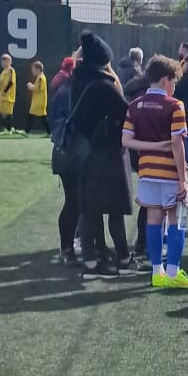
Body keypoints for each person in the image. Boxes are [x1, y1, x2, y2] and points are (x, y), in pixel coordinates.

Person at [67, 29, 138, 279]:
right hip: (108, 155)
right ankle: (124, 258)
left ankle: (90, 261)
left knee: (90, 210)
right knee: (115, 210)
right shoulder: (104, 86)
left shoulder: (78, 80)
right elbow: (129, 114)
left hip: (86, 154)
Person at [123, 55, 188, 290]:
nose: (174, 86)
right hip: (169, 172)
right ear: (166, 80)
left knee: (153, 218)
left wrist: (151, 147)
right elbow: (177, 144)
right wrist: (183, 179)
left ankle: (157, 273)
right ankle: (173, 272)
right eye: (174, 81)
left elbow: (126, 140)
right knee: (177, 219)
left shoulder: (135, 105)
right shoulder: (175, 105)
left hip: (147, 172)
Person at [49, 57, 79, 265]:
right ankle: (68, 247)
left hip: (64, 151)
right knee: (74, 203)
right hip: (70, 152)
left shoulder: (64, 88)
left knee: (73, 202)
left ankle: (68, 246)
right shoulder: (71, 92)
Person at [0, 53, 18, 134]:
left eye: (5, 61)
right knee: (3, 113)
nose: (3, 63)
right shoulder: (3, 72)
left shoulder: (11, 70)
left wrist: (5, 91)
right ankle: (8, 128)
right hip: (2, 96)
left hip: (9, 96)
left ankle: (10, 129)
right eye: (2, 61)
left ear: (9, 61)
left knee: (8, 112)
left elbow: (11, 82)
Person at [24, 60, 49, 135]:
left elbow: (38, 88)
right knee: (41, 117)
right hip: (38, 101)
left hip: (39, 102)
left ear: (38, 69)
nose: (32, 71)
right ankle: (49, 132)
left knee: (32, 116)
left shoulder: (41, 78)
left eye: (33, 69)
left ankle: (26, 131)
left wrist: (30, 86)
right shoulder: (40, 77)